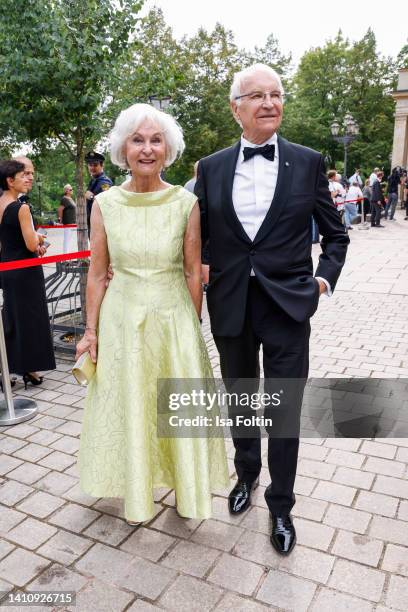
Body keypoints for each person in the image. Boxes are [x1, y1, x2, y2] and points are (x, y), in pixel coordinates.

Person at [195, 63, 349, 555]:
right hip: (232, 305)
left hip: (288, 308)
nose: (268, 103)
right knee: (241, 401)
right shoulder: (211, 167)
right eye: (256, 96)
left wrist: (322, 278)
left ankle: (281, 505)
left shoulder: (307, 162)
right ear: (235, 107)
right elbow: (195, 237)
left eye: (276, 94)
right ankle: (246, 477)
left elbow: (336, 232)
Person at [76, 103, 229, 523]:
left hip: (173, 318)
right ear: (123, 148)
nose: (147, 148)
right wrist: (91, 331)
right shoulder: (105, 203)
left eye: (155, 140)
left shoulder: (185, 203)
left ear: (168, 149)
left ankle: (187, 489)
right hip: (122, 319)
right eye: (138, 140)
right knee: (132, 402)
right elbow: (97, 274)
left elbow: (192, 271)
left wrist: (192, 327)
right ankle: (137, 493)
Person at [0, 160, 56, 388]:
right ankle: (30, 369)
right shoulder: (21, 208)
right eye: (24, 175)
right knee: (31, 321)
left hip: (7, 270)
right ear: (10, 181)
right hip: (25, 272)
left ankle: (7, 371)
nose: (29, 179)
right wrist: (40, 238)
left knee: (11, 320)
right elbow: (32, 243)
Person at [84, 151, 113, 238]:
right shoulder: (94, 180)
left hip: (101, 224)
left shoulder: (105, 182)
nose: (92, 167)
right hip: (93, 222)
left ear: (102, 165)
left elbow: (107, 202)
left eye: (95, 165)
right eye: (90, 165)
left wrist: (92, 197)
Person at [57, 184, 77, 253]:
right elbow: (60, 209)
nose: (72, 191)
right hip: (68, 222)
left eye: (72, 189)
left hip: (73, 222)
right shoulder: (64, 199)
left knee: (70, 239)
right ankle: (66, 256)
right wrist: (60, 219)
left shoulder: (71, 199)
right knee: (67, 239)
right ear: (66, 191)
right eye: (70, 189)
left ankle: (68, 254)